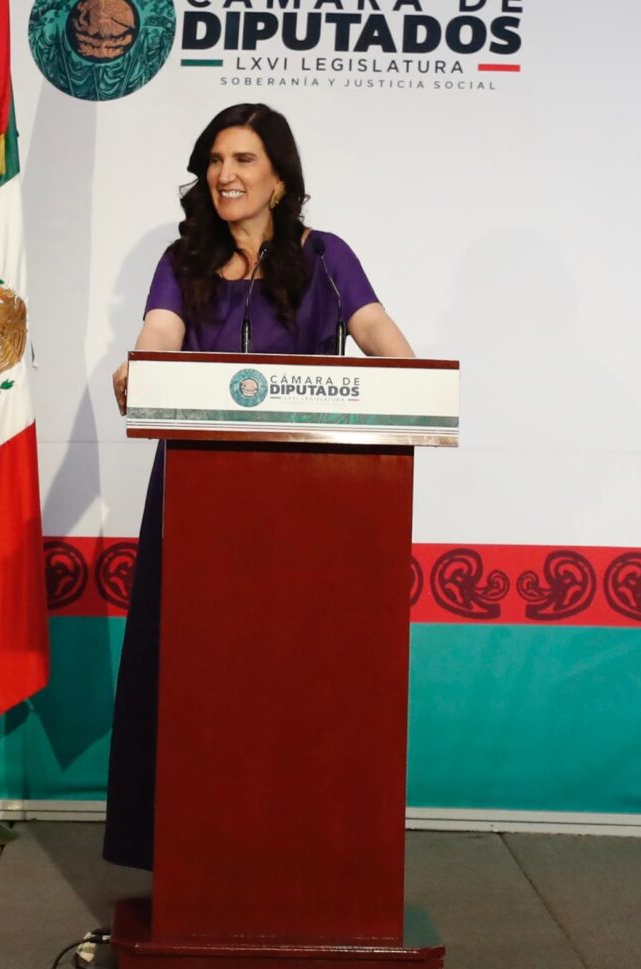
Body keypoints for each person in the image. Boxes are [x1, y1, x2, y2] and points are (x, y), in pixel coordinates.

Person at [102, 103, 414, 869]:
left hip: (306, 501)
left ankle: (300, 848)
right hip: (197, 498)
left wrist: (412, 384)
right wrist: (139, 363)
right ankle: (189, 850)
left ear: (279, 177)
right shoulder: (182, 259)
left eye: (243, 159)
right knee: (194, 671)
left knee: (296, 667)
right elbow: (160, 334)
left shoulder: (326, 257)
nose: (225, 174)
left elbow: (378, 334)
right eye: (215, 160)